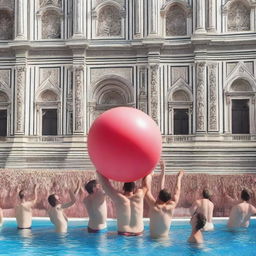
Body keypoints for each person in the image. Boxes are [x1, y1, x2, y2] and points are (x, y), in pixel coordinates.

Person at [97, 171, 149, 236]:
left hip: (123, 234)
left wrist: (99, 171)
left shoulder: (119, 198)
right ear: (134, 188)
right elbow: (145, 185)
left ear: (123, 188)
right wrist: (148, 172)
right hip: (138, 234)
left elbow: (106, 186)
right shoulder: (139, 196)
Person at [144, 160, 184, 239]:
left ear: (158, 197)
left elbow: (146, 190)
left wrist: (149, 174)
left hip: (152, 240)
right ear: (168, 200)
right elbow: (177, 190)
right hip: (165, 241)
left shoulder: (154, 206)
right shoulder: (171, 206)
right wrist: (179, 178)